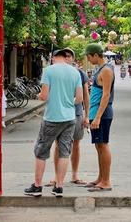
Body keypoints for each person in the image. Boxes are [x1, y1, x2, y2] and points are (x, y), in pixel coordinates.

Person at [24, 50, 83, 198]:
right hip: (70, 118)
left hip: (52, 118)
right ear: (65, 57)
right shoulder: (75, 72)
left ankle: (37, 186)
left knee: (41, 152)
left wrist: (38, 96)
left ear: (53, 58)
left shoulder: (48, 71)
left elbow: (44, 96)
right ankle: (59, 187)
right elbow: (79, 98)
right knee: (64, 152)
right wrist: (68, 103)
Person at [46, 48, 90, 187]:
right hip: (58, 114)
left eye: (69, 56)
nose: (66, 58)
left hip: (76, 113)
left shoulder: (80, 73)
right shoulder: (53, 73)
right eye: (64, 56)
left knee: (76, 144)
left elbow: (85, 95)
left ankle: (74, 175)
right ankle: (56, 176)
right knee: (59, 145)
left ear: (73, 59)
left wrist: (87, 115)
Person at [85, 43, 114, 192]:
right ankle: (100, 178)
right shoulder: (101, 70)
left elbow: (106, 95)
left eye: (89, 57)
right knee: (98, 146)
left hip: (101, 114)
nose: (89, 60)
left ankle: (106, 181)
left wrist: (97, 117)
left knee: (103, 145)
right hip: (95, 113)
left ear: (96, 55)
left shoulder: (107, 70)